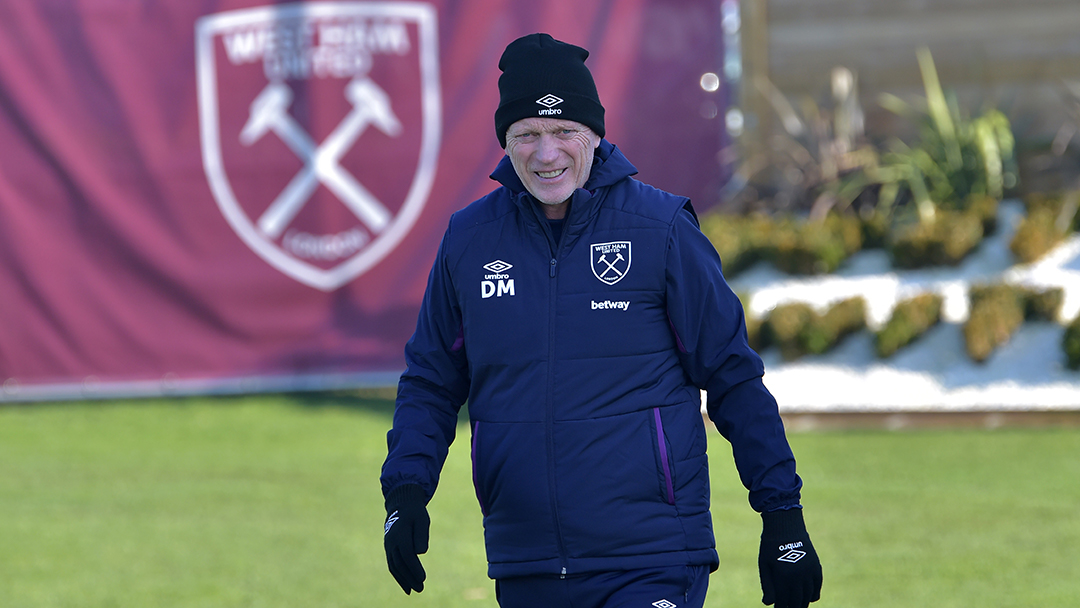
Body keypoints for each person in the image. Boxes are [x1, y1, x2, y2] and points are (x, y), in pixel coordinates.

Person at [381, 33, 823, 608]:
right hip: (527, 560)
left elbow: (733, 377)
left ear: (594, 132)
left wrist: (782, 516)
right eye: (527, 135)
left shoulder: (661, 230)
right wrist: (407, 493)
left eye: (564, 131)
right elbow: (432, 382)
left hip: (653, 559)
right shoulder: (470, 239)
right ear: (505, 141)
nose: (546, 154)